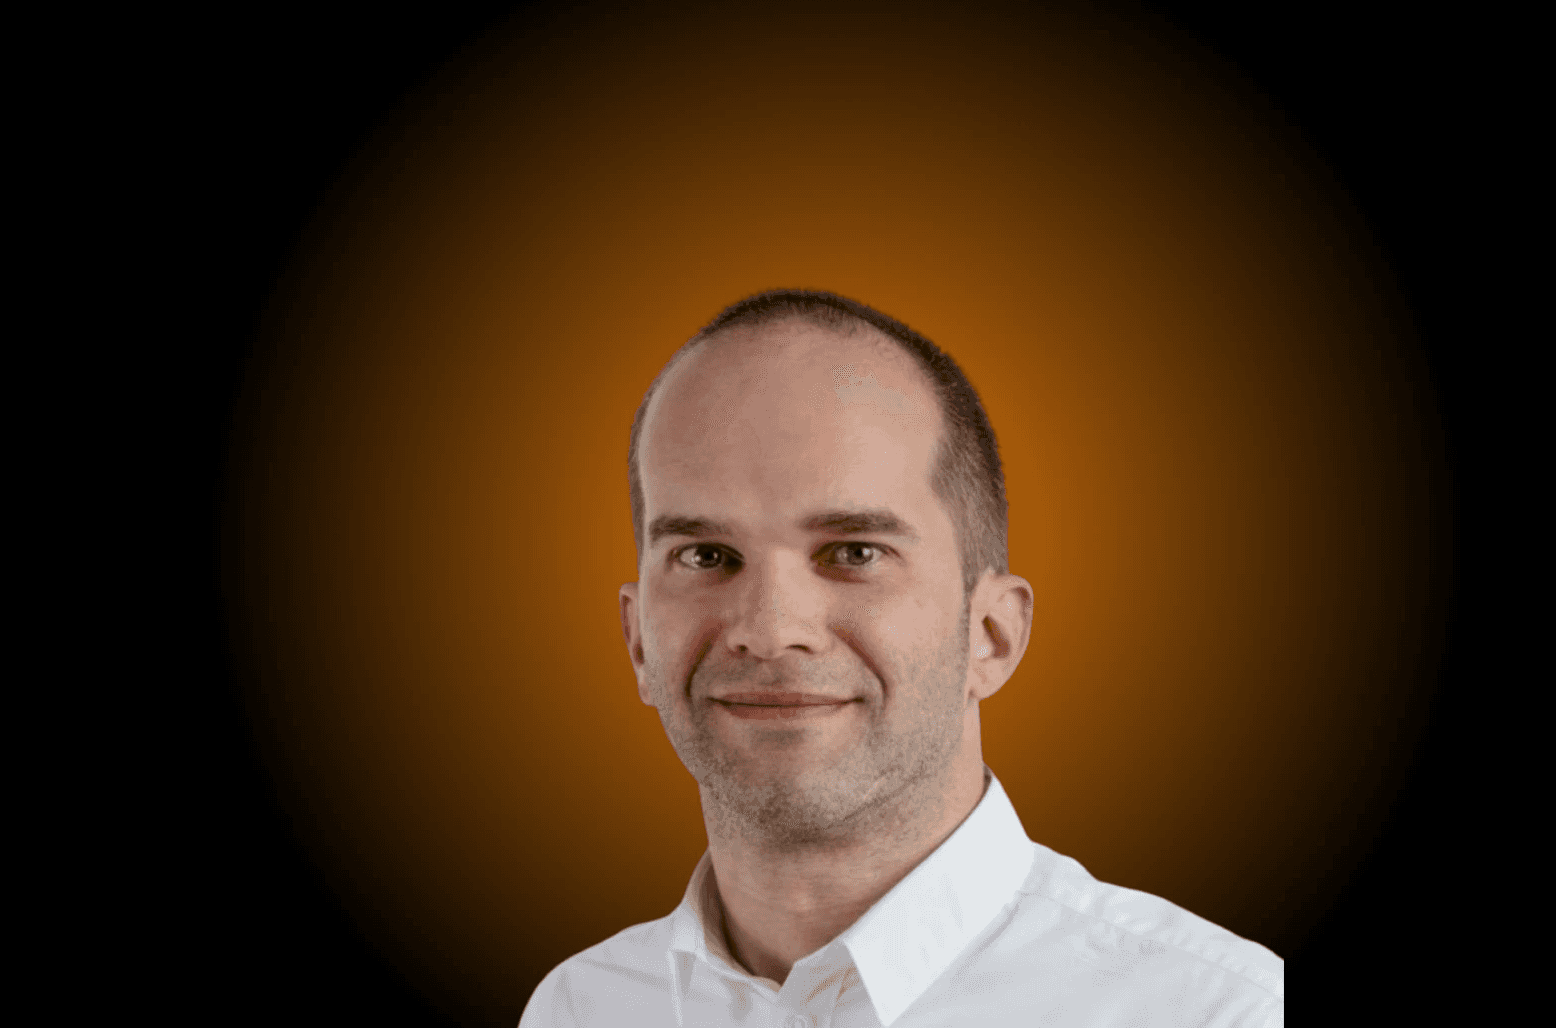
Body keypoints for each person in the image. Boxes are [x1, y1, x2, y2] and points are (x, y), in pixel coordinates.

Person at [520, 290, 1283, 1027]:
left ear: (991, 634)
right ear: (638, 640)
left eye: (854, 552)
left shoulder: (1221, 1012)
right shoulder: (579, 1009)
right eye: (706, 555)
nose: (771, 630)